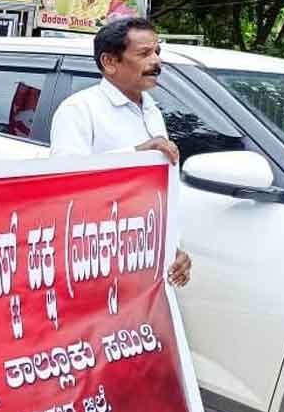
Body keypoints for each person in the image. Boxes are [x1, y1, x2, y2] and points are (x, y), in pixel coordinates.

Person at [49, 17, 193, 287]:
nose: (156, 62)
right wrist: (136, 154)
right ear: (110, 62)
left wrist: (173, 247)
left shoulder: (151, 110)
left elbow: (160, 194)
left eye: (157, 52)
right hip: (95, 265)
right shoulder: (79, 110)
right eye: (144, 54)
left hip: (143, 265)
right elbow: (65, 185)